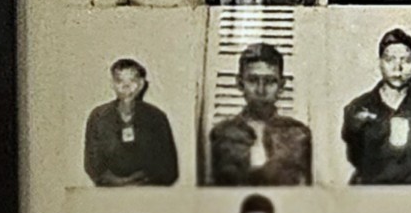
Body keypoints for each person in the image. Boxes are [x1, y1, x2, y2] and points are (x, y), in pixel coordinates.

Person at [337, 27, 411, 185]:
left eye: (406, 60)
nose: (398, 67)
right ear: (380, 62)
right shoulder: (358, 108)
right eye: (390, 60)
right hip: (370, 198)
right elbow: (354, 155)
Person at [203, 42, 314, 186]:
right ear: (240, 83)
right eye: (253, 80)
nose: (261, 90)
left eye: (270, 81)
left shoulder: (298, 135)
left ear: (281, 85)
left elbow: (306, 193)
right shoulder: (223, 134)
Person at [84, 55, 181, 187]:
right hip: (108, 194)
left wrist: (139, 183)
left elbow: (168, 168)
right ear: (112, 84)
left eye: (132, 81)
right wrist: (118, 183)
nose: (126, 87)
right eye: (119, 81)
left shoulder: (156, 118)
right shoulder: (99, 117)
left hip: (148, 193)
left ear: (141, 84)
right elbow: (93, 165)